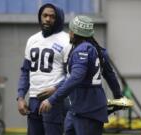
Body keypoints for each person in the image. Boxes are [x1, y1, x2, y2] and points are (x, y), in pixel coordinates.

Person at [39, 15, 123, 135]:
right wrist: (118, 96)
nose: (69, 33)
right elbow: (110, 76)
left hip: (87, 111)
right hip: (78, 110)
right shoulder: (98, 50)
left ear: (74, 33)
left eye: (70, 31)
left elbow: (75, 78)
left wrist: (52, 100)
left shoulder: (81, 50)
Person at [17, 3, 71, 135]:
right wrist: (20, 97)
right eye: (45, 15)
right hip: (34, 99)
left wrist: (55, 89)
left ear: (58, 18)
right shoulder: (32, 40)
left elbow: (72, 75)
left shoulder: (67, 40)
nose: (47, 19)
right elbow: (25, 71)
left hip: (55, 101)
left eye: (52, 16)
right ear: (40, 17)